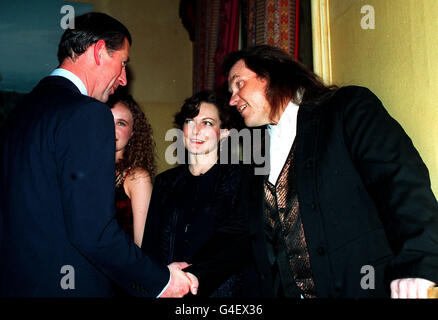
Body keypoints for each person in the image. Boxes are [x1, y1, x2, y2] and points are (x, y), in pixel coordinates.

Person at [186, 45, 438, 298]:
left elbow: (399, 179)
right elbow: (241, 234)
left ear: (272, 73)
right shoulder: (256, 154)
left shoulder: (345, 109)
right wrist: (193, 274)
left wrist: (419, 261)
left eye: (239, 84)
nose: (232, 99)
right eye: (231, 91)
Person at [0, 12, 197, 297]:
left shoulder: (19, 113)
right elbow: (93, 232)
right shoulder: (88, 114)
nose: (124, 78)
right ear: (100, 50)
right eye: (123, 63)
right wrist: (163, 281)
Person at [142, 90, 247, 297]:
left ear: (224, 132)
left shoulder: (242, 179)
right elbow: (150, 248)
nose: (196, 130)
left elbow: (239, 246)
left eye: (207, 123)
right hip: (170, 292)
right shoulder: (165, 182)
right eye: (190, 121)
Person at [108, 94, 155, 247]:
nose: (111, 128)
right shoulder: (82, 171)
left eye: (121, 123)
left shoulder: (137, 178)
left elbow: (142, 244)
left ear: (132, 134)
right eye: (106, 119)